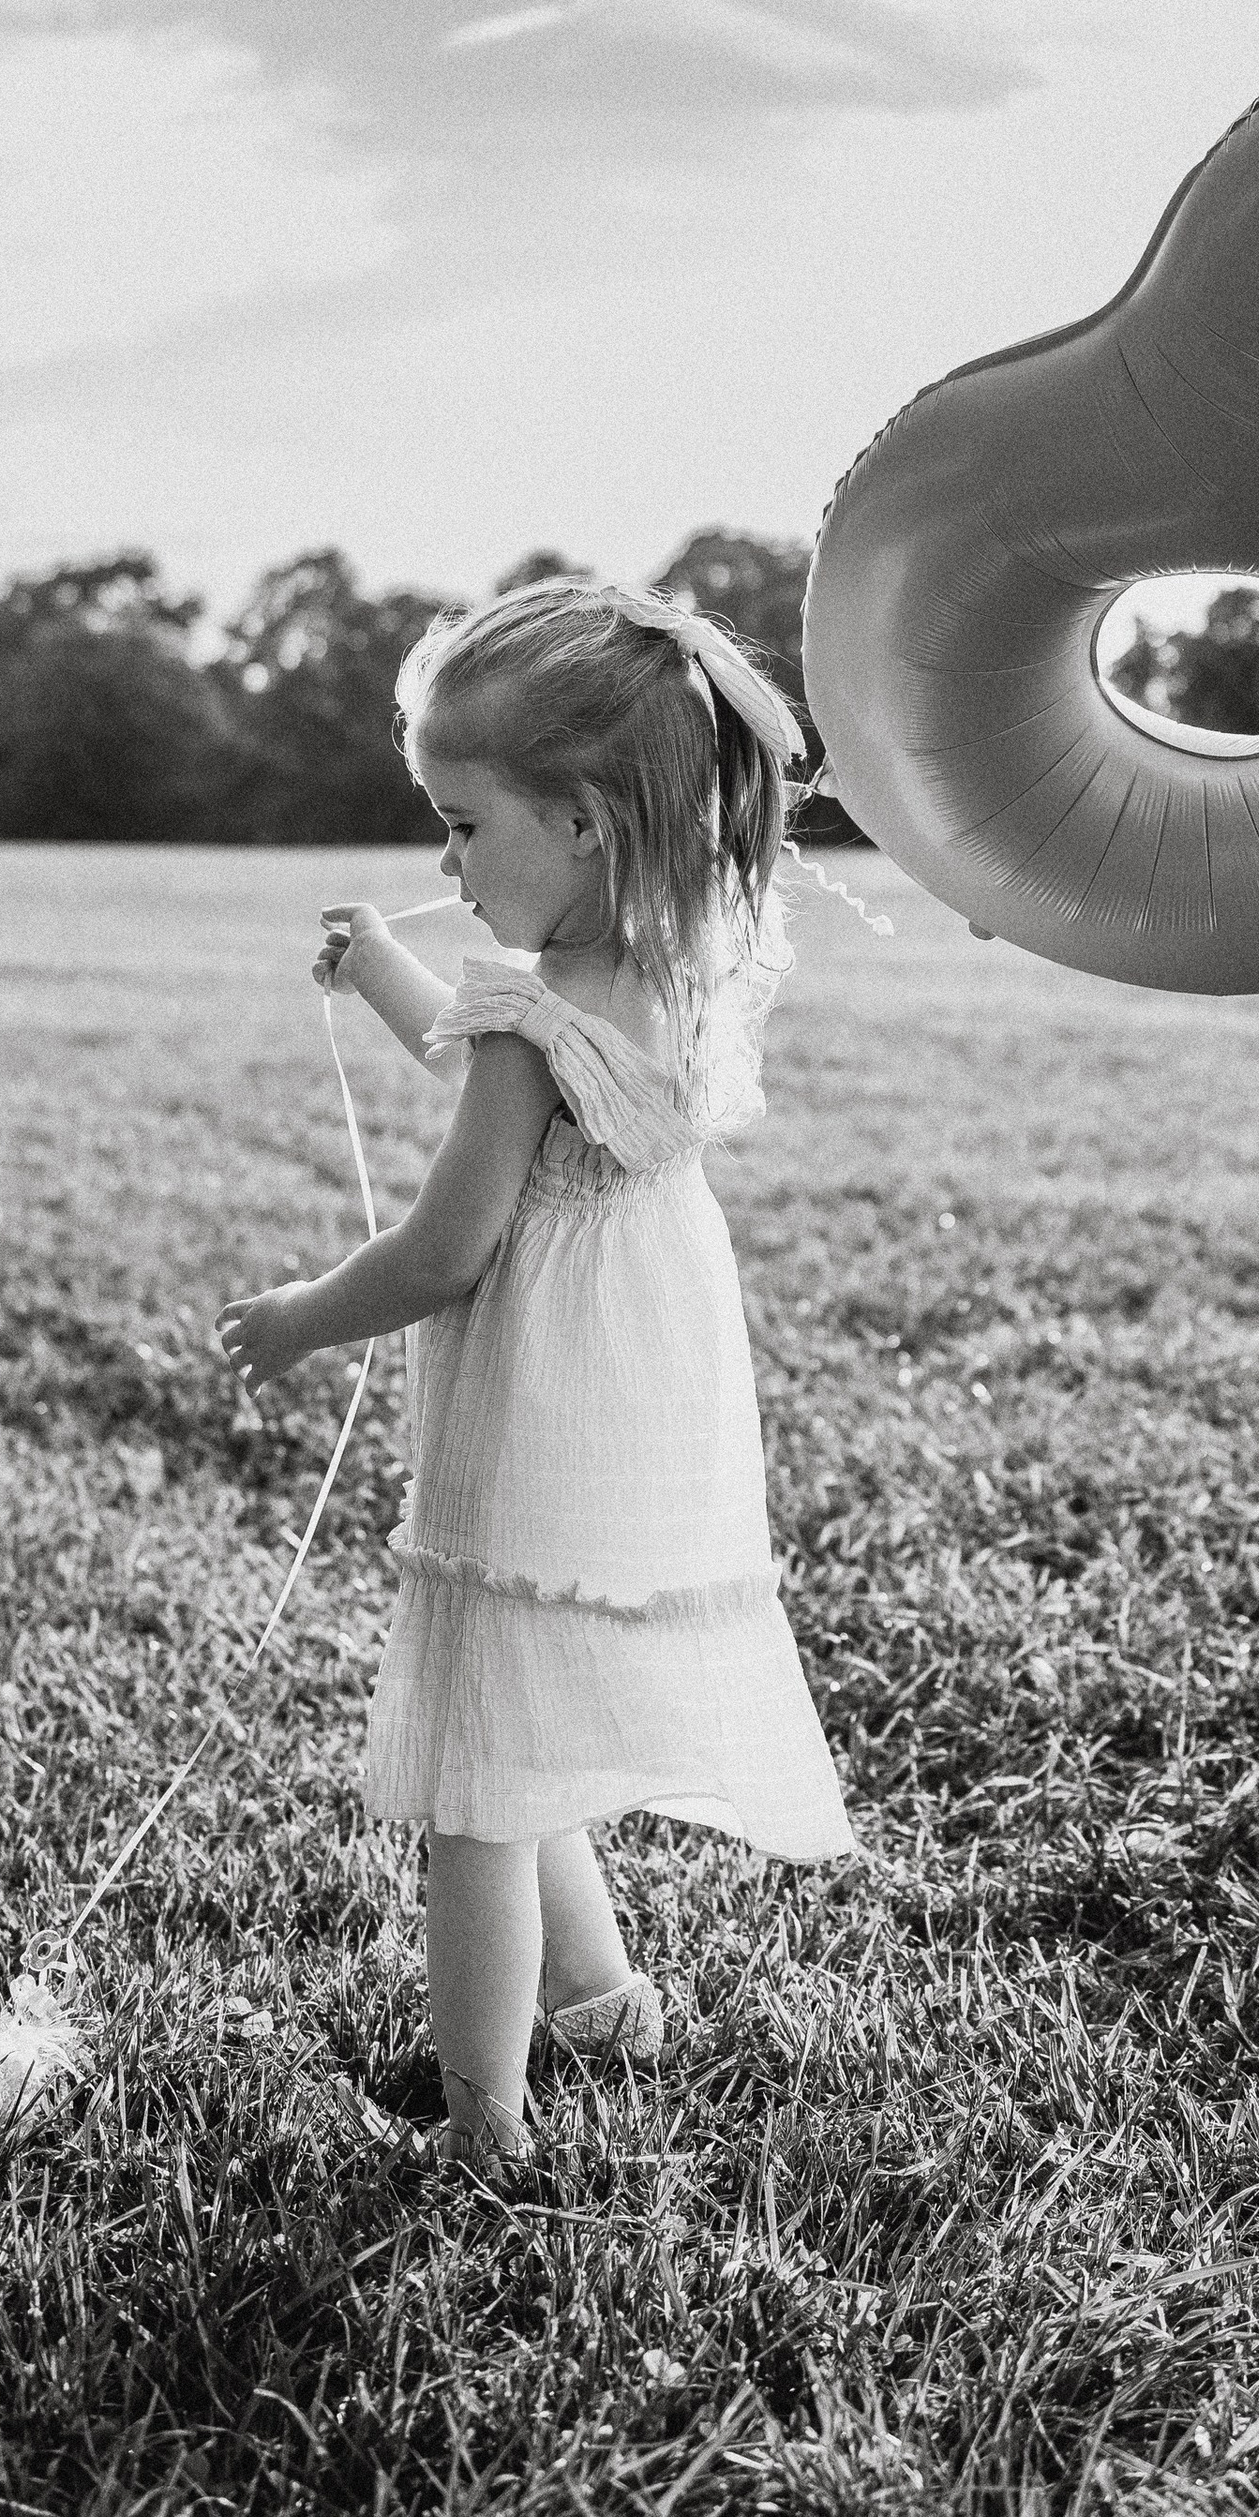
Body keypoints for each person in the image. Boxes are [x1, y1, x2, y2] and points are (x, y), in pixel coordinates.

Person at [216, 577, 854, 2184]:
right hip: (646, 1382)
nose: (444, 862)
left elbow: (444, 1247)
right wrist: (381, 975)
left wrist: (301, 1314)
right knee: (524, 1717)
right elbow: (514, 1054)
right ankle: (602, 2002)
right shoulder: (669, 964)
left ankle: (485, 2126)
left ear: (576, 820)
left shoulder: (533, 1014)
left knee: (473, 1794)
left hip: (540, 1382)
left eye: (459, 823)